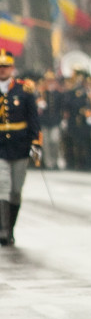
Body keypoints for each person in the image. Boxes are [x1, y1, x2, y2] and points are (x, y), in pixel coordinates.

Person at [0, 49, 42, 246]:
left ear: (12, 68)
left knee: (16, 190)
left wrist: (36, 143)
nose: (2, 70)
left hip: (20, 145)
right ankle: (3, 230)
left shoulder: (24, 90)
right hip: (0, 147)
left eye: (6, 67)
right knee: (3, 187)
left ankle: (11, 227)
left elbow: (33, 119)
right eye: (0, 67)